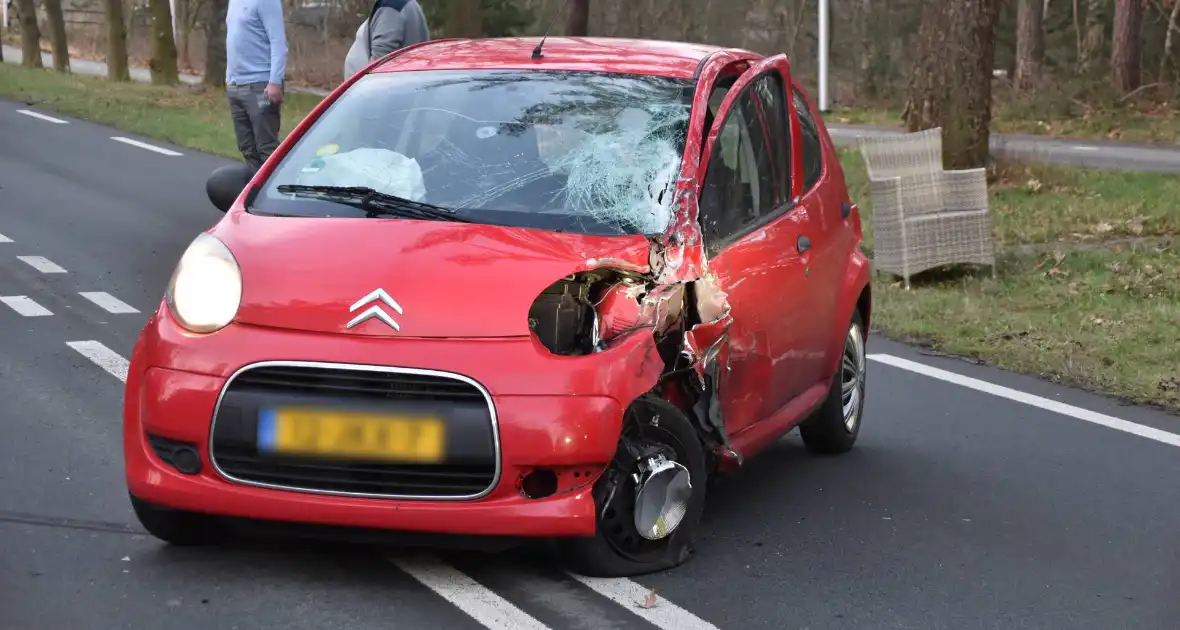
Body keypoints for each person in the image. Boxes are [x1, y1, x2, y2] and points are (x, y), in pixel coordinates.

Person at [225, 0, 288, 172]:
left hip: (261, 85)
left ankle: (274, 192)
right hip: (235, 84)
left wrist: (275, 81)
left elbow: (278, 43)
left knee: (267, 147)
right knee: (246, 147)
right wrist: (229, 79)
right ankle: (255, 192)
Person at [343, 0, 430, 80]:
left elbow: (379, 62)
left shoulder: (392, 6)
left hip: (380, 90)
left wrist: (369, 88)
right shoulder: (403, 4)